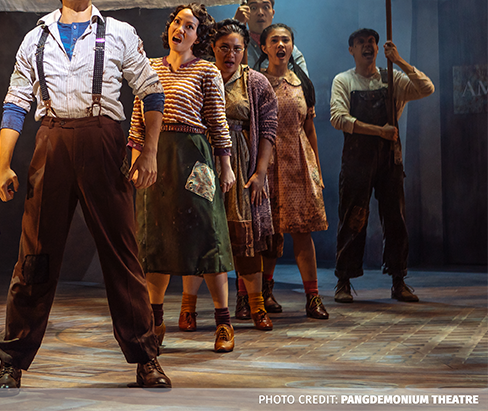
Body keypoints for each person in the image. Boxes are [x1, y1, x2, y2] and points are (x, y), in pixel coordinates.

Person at [0, 0, 170, 391]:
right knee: (35, 256)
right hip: (52, 141)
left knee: (122, 253)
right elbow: (15, 103)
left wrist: (149, 152)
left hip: (103, 141)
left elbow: (151, 92)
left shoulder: (120, 33)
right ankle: (12, 360)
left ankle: (146, 357)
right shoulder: (35, 38)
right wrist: (4, 164)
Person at [130, 4, 237, 353]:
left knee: (208, 235)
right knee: (155, 239)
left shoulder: (206, 71)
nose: (181, 29)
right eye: (178, 22)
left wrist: (226, 166)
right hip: (156, 157)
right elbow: (137, 122)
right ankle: (155, 321)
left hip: (194, 157)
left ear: (198, 36)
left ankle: (223, 323)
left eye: (190, 26)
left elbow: (217, 121)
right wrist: (135, 164)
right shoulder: (149, 68)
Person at [186, 19, 278, 332]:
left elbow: (268, 129)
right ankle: (188, 309)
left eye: (237, 48)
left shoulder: (255, 82)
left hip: (240, 164)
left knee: (245, 240)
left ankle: (257, 307)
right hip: (203, 161)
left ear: (245, 50)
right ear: (212, 47)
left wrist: (260, 172)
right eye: (224, 47)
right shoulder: (199, 74)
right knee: (200, 237)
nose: (231, 54)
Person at [330, 29, 434, 303]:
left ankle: (399, 280)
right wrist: (379, 131)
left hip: (389, 158)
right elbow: (338, 118)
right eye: (361, 43)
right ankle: (344, 280)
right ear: (351, 50)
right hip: (357, 159)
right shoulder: (344, 80)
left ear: (378, 48)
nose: (368, 46)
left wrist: (399, 60)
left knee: (395, 218)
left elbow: (427, 88)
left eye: (371, 42)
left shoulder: (391, 77)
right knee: (353, 217)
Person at [259, 24, 329, 320]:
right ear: (264, 47)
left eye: (285, 40)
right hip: (268, 162)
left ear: (292, 46)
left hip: (299, 162)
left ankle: (313, 297)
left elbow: (309, 129)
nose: (280, 45)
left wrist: (317, 169)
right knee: (268, 232)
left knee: (302, 230)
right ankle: (263, 293)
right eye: (274, 40)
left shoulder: (303, 83)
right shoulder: (256, 81)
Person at [235, 0, 307, 74]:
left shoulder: (289, 50)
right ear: (245, 13)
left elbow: (303, 81)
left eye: (265, 7)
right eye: (253, 8)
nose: (260, 13)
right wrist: (236, 26)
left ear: (272, 13)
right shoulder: (236, 46)